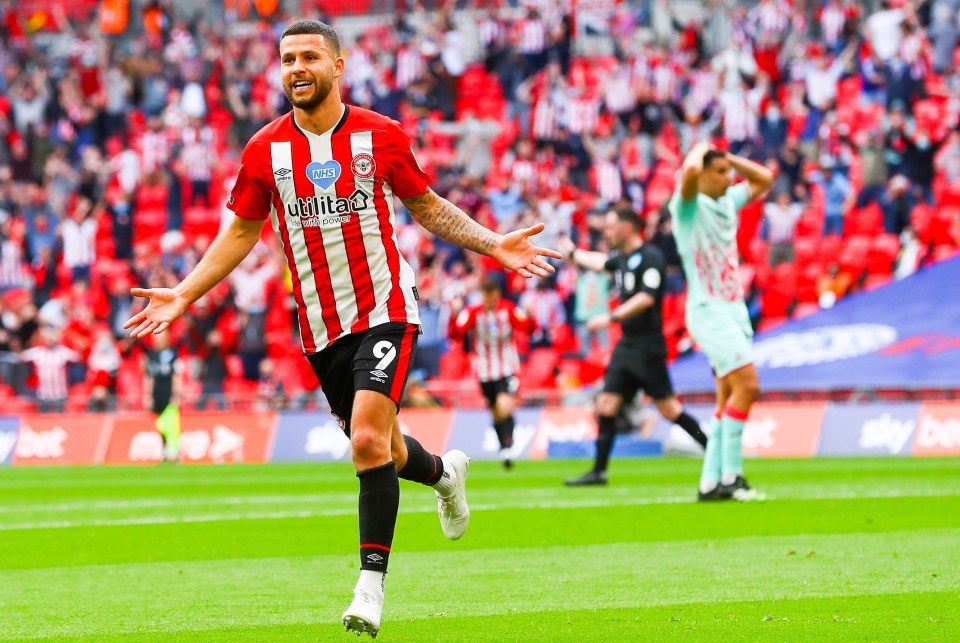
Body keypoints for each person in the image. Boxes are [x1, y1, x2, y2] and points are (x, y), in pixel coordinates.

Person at [122, 19, 561, 639]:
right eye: (287, 59)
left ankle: (369, 589)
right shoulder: (263, 151)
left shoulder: (380, 136)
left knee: (364, 444)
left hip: (386, 306)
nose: (296, 68)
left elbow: (428, 206)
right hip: (321, 326)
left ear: (337, 65)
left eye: (308, 57)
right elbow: (242, 231)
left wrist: (494, 246)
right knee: (386, 448)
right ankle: (445, 475)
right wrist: (186, 293)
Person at [558, 206, 707, 486]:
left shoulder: (651, 257)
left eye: (612, 227)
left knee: (669, 409)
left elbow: (647, 298)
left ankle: (713, 455)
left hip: (648, 346)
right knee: (607, 403)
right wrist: (574, 254)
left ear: (627, 228)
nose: (608, 232)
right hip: (627, 345)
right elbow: (602, 262)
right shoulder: (623, 257)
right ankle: (599, 472)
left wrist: (609, 317)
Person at [668, 144, 774, 502]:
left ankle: (709, 483)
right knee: (749, 386)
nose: (728, 178)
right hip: (707, 310)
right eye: (720, 172)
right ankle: (732, 476)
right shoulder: (687, 207)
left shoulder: (727, 201)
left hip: (733, 310)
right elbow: (689, 176)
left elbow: (765, 178)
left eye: (728, 172)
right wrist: (699, 149)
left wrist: (730, 159)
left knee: (728, 394)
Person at [449, 279, 534, 469]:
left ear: (497, 293)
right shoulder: (473, 311)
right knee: (496, 411)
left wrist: (530, 314)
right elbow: (457, 333)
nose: (488, 298)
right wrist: (454, 313)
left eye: (491, 293)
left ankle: (508, 447)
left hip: (507, 368)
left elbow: (528, 327)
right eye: (485, 294)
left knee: (505, 407)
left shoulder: (509, 309)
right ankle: (505, 448)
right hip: (485, 373)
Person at [143, 330, 182, 461]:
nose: (158, 340)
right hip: (157, 394)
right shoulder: (152, 355)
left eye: (160, 337)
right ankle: (163, 452)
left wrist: (177, 394)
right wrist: (147, 395)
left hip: (168, 393)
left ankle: (173, 451)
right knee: (160, 425)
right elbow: (149, 377)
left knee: (169, 424)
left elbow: (176, 375)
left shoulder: (172, 354)